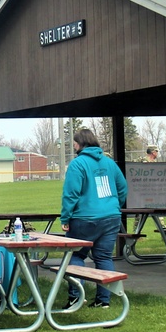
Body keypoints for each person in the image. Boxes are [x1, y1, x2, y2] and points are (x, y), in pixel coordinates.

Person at [60, 128, 128, 308]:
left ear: (79, 144)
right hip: (111, 216)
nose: (73, 145)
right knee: (104, 257)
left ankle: (76, 297)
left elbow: (71, 194)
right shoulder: (110, 163)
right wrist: (114, 205)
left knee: (76, 254)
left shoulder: (78, 164)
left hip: (84, 218)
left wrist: (65, 218)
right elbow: (123, 188)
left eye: (74, 142)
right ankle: (103, 300)